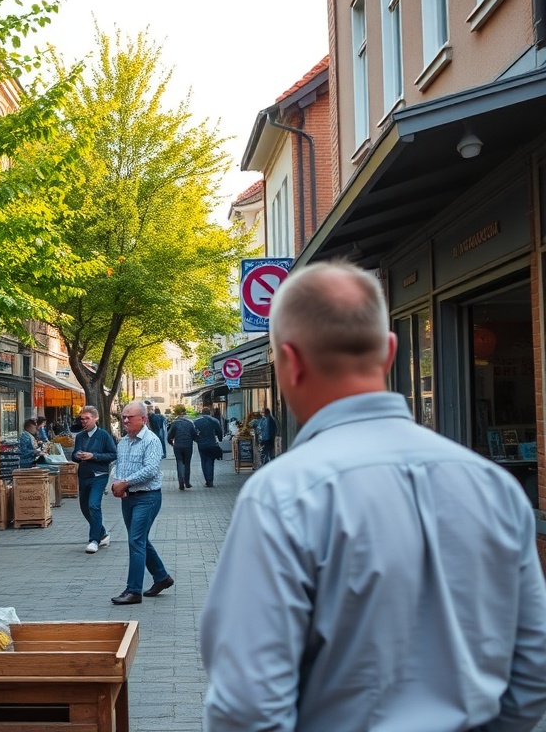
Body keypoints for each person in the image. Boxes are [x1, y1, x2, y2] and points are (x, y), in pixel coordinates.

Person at [199, 262, 546, 731]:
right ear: (388, 352)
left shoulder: (284, 497)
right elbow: (531, 670)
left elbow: (247, 705)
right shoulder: (493, 486)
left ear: (290, 362)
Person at [109, 401, 174, 604]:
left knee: (135, 540)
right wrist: (117, 484)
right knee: (140, 540)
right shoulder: (123, 442)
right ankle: (162, 577)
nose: (125, 420)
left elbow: (151, 470)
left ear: (143, 419)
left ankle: (133, 591)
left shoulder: (151, 441)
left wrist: (125, 483)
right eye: (124, 417)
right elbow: (119, 467)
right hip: (128, 497)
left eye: (130, 417)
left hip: (147, 497)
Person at [71, 405, 118, 554]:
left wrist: (94, 456)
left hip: (99, 475)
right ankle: (103, 533)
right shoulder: (80, 436)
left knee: (93, 505)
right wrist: (77, 455)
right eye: (82, 419)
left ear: (95, 418)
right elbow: (73, 455)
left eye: (87, 418)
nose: (84, 421)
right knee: (85, 508)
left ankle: (94, 540)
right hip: (84, 475)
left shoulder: (104, 435)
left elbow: (113, 454)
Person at [166, 404, 196, 490]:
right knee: (187, 463)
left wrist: (171, 443)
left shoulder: (175, 423)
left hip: (178, 445)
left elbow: (169, 435)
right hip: (188, 445)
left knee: (179, 462)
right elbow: (194, 435)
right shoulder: (190, 423)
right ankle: (187, 482)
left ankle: (180, 482)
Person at [192, 406, 223, 488]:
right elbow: (219, 431)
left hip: (201, 444)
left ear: (202, 413)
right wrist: (220, 439)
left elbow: (193, 433)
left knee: (204, 461)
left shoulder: (196, 422)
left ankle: (207, 480)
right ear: (210, 413)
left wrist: (197, 440)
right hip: (212, 443)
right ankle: (210, 480)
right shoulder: (214, 420)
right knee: (210, 461)